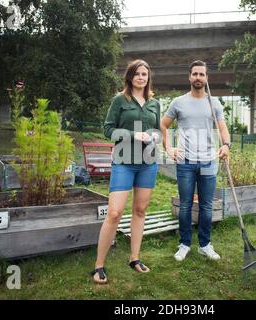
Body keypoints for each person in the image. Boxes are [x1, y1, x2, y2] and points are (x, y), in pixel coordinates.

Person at [91, 59, 161, 284]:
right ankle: (99, 265)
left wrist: (155, 136)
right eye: (137, 74)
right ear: (130, 77)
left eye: (145, 74)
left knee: (140, 210)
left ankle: (134, 258)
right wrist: (133, 135)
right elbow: (107, 130)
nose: (141, 77)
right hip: (124, 161)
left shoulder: (154, 103)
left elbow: (158, 129)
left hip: (148, 162)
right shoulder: (119, 100)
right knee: (114, 213)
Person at [160, 60, 231, 262]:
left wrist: (226, 145)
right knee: (185, 205)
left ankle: (205, 245)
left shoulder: (213, 103)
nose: (198, 77)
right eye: (195, 74)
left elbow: (223, 127)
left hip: (209, 161)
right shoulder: (178, 102)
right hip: (186, 162)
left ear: (206, 78)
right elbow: (163, 125)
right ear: (189, 77)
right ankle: (184, 244)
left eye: (202, 74)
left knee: (207, 206)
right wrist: (168, 147)